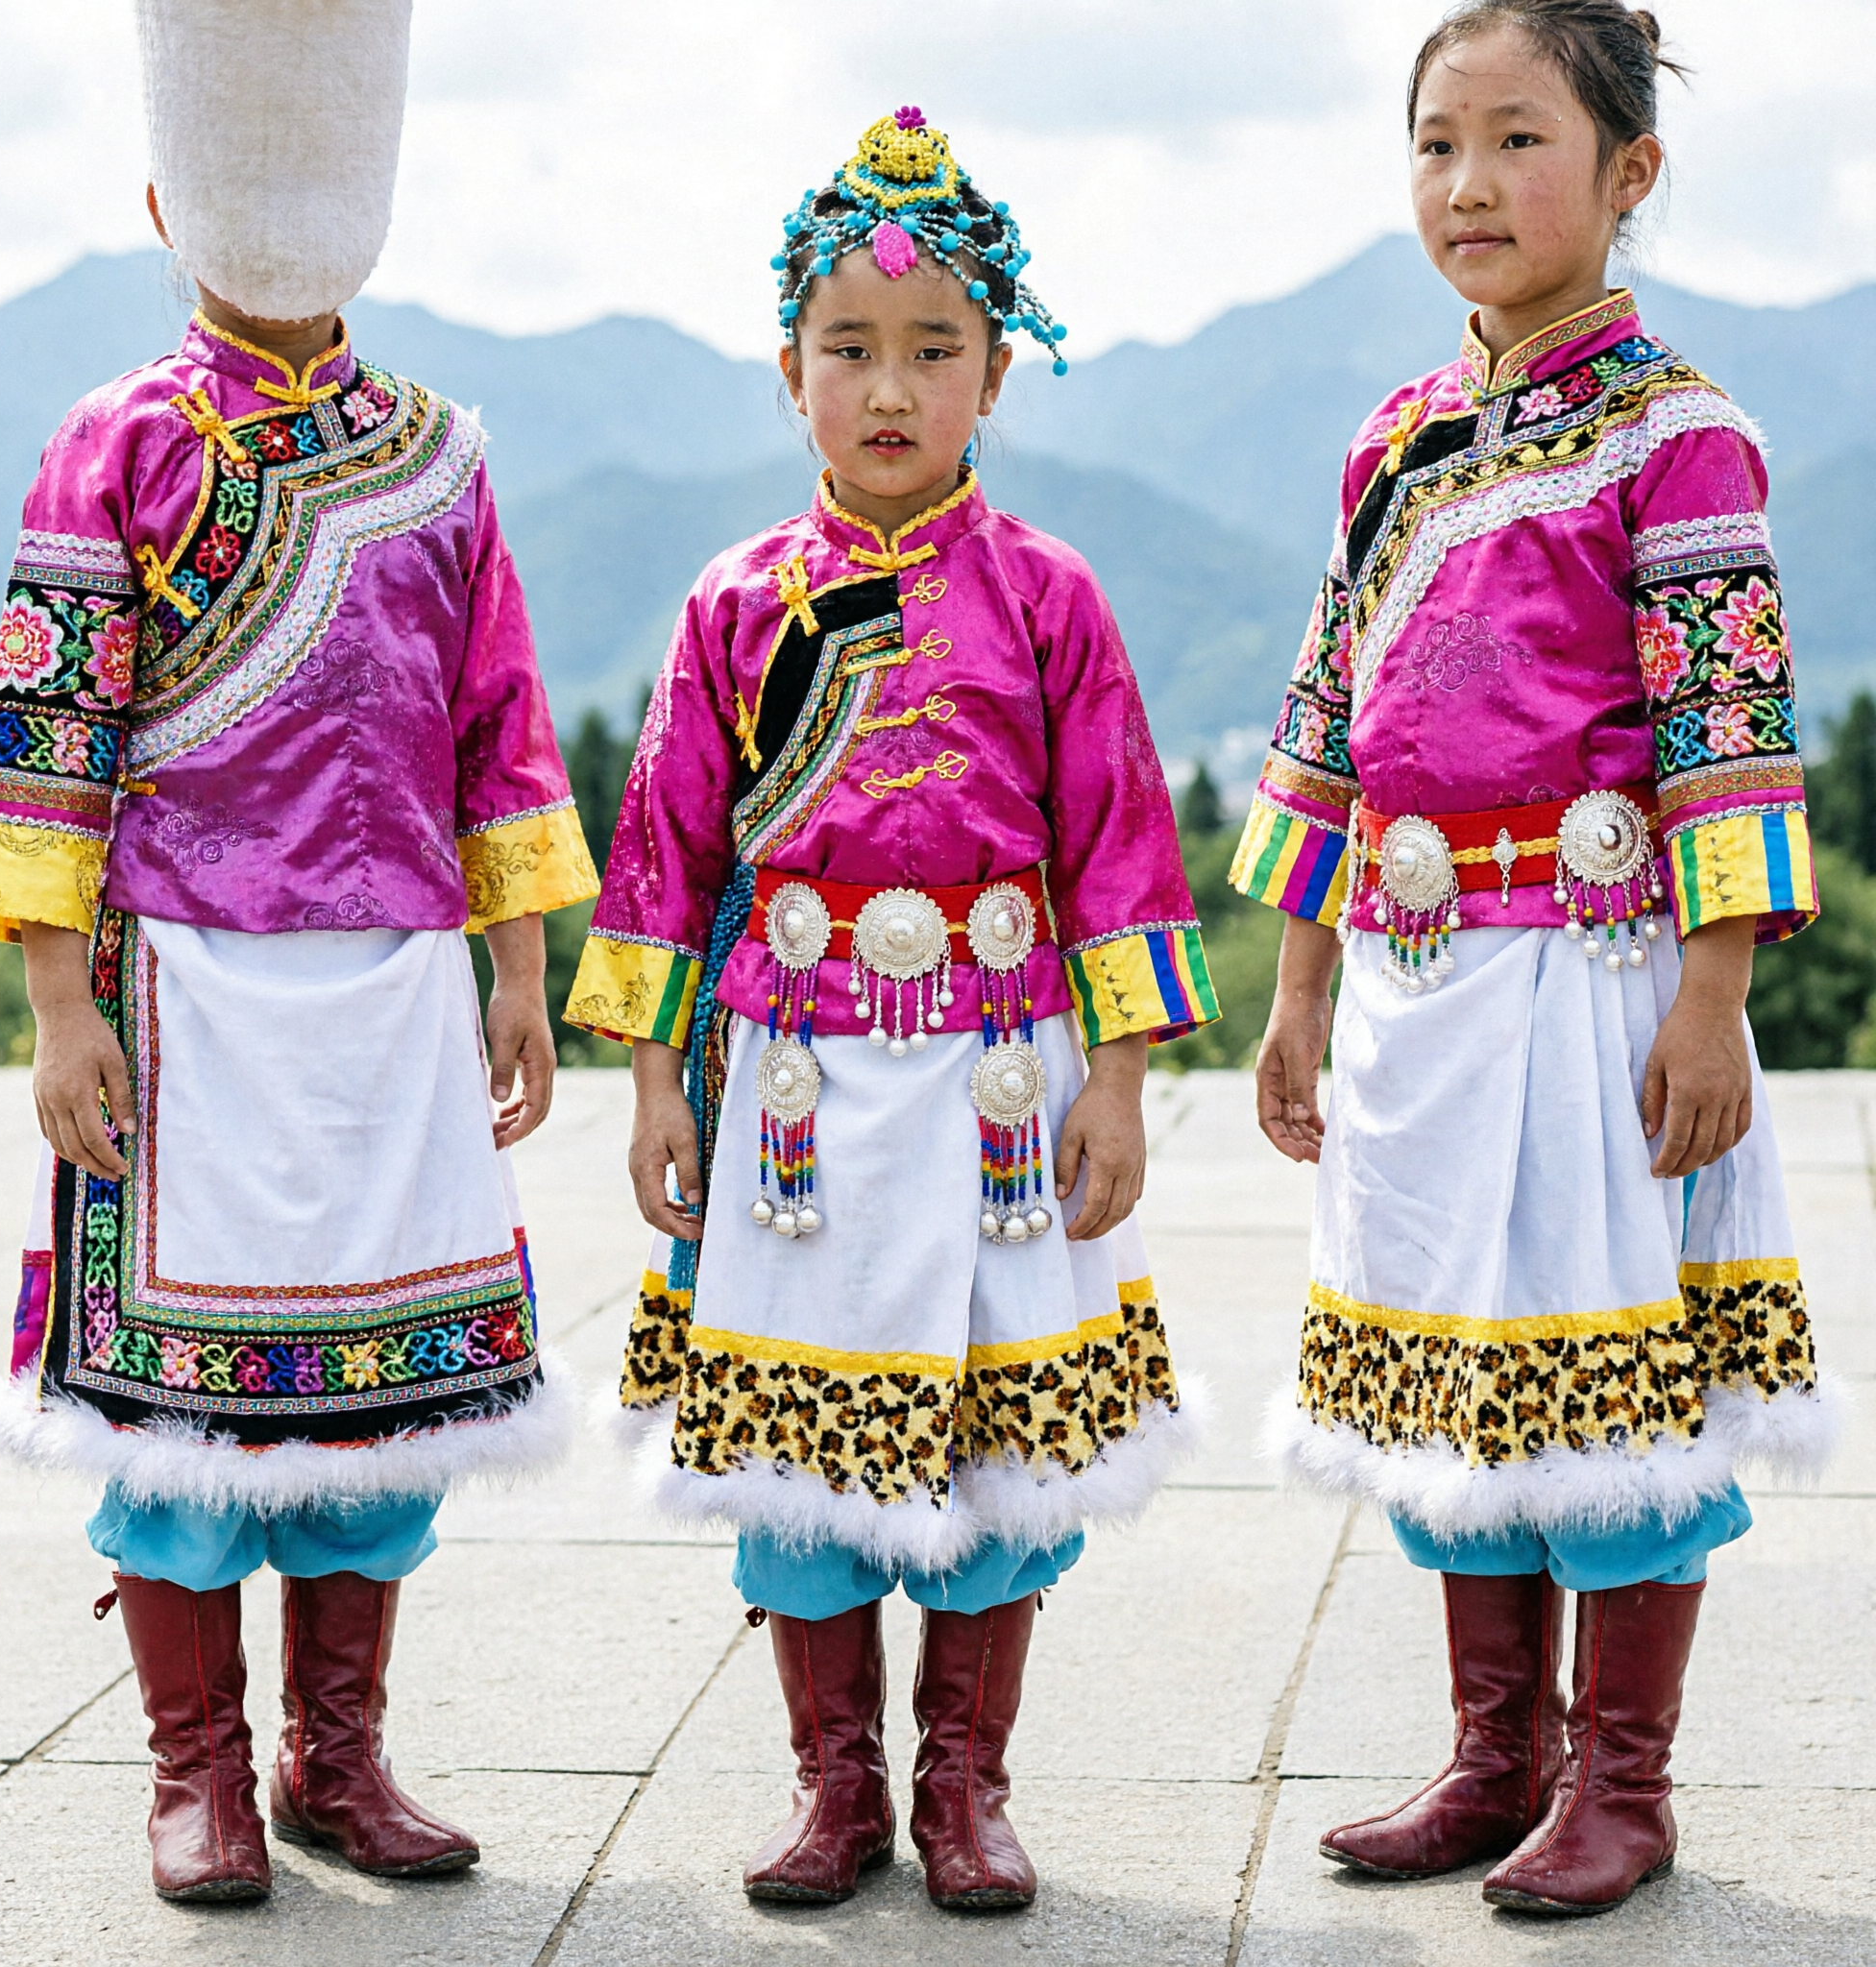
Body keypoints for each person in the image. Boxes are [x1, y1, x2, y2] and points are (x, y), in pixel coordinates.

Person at [0, 0, 596, 1906]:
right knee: (180, 1408)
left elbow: (497, 718)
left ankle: (341, 1752)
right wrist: (61, 1001)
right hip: (184, 996)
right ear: (161, 202)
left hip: (398, 992)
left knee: (381, 1403)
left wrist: (514, 964)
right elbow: (49, 736)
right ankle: (196, 1772)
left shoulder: (437, 451)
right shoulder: (115, 446)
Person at [565, 109, 1219, 1912]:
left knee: (1000, 1448)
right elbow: (662, 851)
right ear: (790, 371)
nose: (889, 387)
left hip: (1007, 1079)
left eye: (935, 350)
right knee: (798, 1446)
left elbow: (1119, 846)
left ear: (997, 370)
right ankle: (835, 1784)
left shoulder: (1052, 596)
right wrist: (652, 1083)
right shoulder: (731, 606)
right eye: (849, 348)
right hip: (789, 1083)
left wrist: (1127, 1084)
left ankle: (967, 1787)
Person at [1234, 0, 1833, 1919]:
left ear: (1627, 172)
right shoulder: (1391, 445)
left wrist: (1713, 995)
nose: (1467, 184)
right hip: (1416, 981)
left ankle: (1623, 1783)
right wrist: (1301, 985)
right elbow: (1331, 711)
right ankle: (1492, 1756)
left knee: (1609, 1375)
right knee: (1454, 1372)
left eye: (1515, 141)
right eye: (1435, 143)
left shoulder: (1682, 435)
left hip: (1596, 978)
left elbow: (1727, 719)